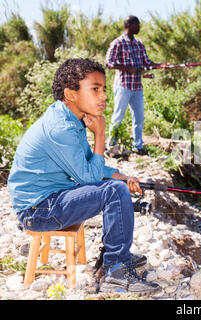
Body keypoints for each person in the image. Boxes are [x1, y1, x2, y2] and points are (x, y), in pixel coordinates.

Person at [7, 58, 161, 295]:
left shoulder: (70, 119)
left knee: (115, 185)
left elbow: (91, 165)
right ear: (70, 94)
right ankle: (115, 271)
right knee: (113, 191)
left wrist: (121, 176)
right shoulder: (61, 127)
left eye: (104, 90)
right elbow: (89, 178)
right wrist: (100, 134)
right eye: (95, 89)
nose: (104, 97)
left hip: (50, 199)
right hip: (37, 211)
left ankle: (113, 257)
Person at [105, 15, 168, 155]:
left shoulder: (139, 43)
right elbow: (108, 63)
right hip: (123, 86)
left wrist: (160, 66)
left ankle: (138, 146)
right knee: (118, 116)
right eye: (137, 24)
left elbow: (147, 62)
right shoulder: (118, 43)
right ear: (129, 25)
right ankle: (111, 146)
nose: (139, 27)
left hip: (137, 87)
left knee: (139, 118)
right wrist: (127, 68)